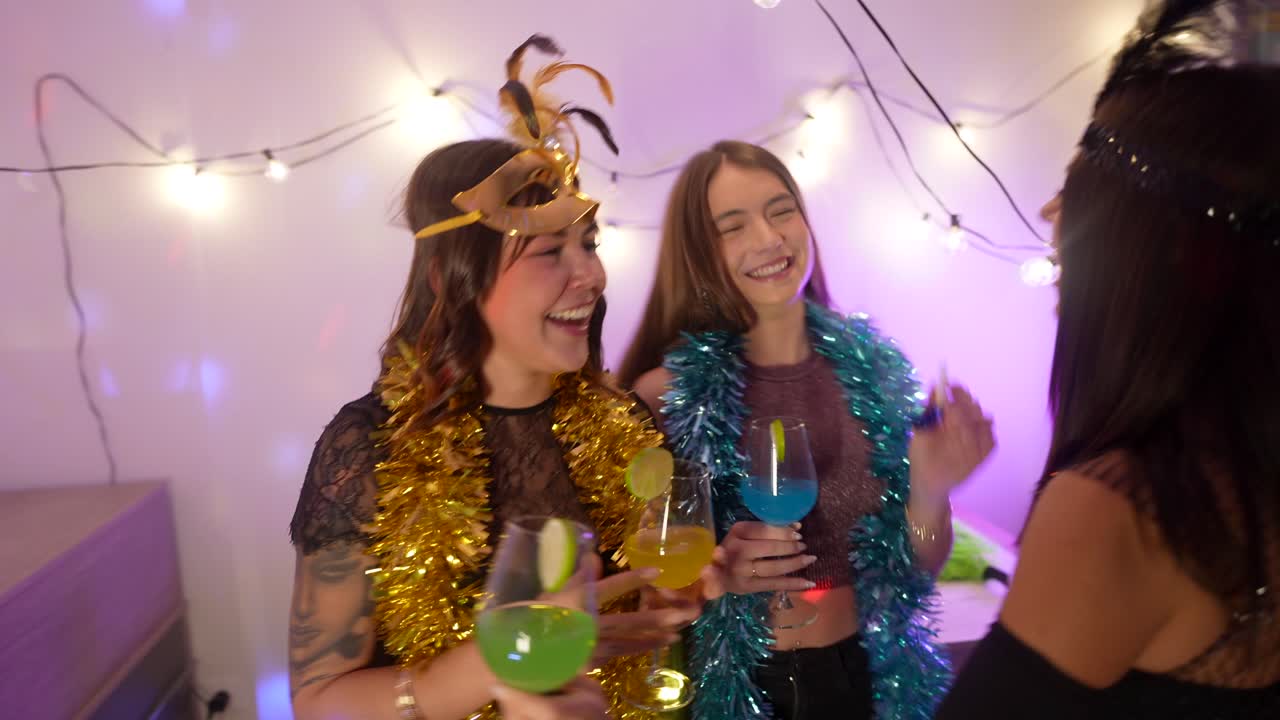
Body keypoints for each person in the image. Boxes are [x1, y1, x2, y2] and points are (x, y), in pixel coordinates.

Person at [287, 36, 719, 720]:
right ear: (455, 279)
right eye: (551, 251)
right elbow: (317, 703)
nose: (592, 276)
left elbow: (653, 615)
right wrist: (490, 666)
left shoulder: (625, 424)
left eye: (590, 245)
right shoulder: (365, 449)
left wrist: (680, 600)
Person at [935, 1, 1280, 718]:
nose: (1048, 212)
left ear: (1150, 240)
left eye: (1077, 184)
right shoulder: (1242, 462)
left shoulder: (1125, 507)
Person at [618, 140, 994, 720]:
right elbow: (645, 594)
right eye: (732, 226)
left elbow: (918, 569)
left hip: (875, 678)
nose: (769, 239)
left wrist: (931, 492)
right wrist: (714, 572)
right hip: (750, 692)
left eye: (781, 210)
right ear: (698, 253)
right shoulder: (664, 396)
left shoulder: (876, 376)